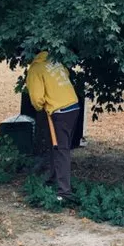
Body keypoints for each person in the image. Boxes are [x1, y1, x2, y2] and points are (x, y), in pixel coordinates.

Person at [26, 51, 81, 202]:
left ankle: (64, 193)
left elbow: (37, 98)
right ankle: (51, 179)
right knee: (54, 145)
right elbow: (66, 75)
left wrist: (40, 105)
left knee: (61, 149)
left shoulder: (35, 68)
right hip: (73, 106)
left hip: (60, 110)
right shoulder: (54, 61)